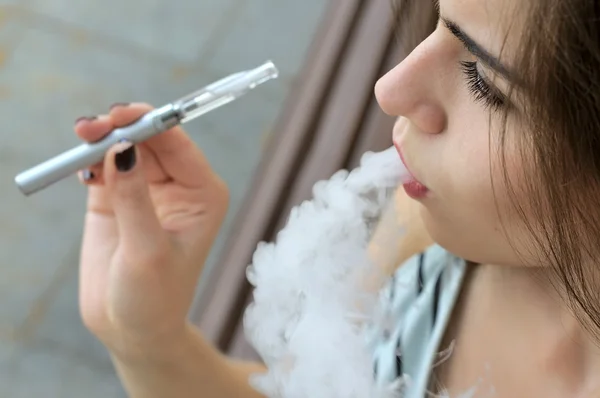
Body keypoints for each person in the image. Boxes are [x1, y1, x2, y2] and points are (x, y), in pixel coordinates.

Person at [73, 0, 600, 396]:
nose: (389, 89)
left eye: (484, 82)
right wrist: (147, 338)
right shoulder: (427, 231)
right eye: (440, 19)